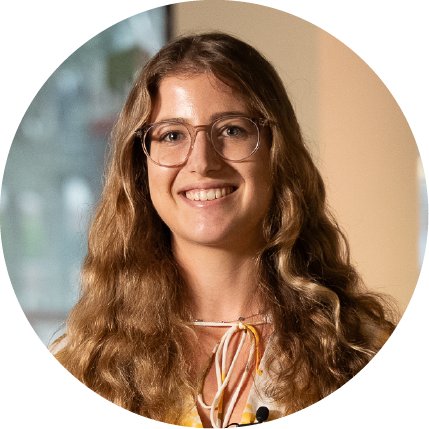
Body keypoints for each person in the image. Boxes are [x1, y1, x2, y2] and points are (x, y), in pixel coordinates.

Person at [51, 32, 397, 428]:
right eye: (172, 135)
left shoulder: (367, 354)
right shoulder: (80, 368)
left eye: (232, 130)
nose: (202, 162)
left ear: (277, 151)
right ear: (139, 169)